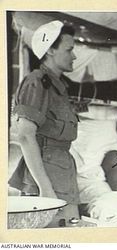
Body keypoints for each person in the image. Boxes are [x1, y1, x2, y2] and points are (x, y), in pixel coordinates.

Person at [9, 20, 80, 222]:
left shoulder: (58, 87)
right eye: (69, 49)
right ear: (50, 50)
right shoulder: (36, 82)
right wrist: (45, 188)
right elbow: (24, 135)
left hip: (62, 172)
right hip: (47, 177)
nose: (74, 56)